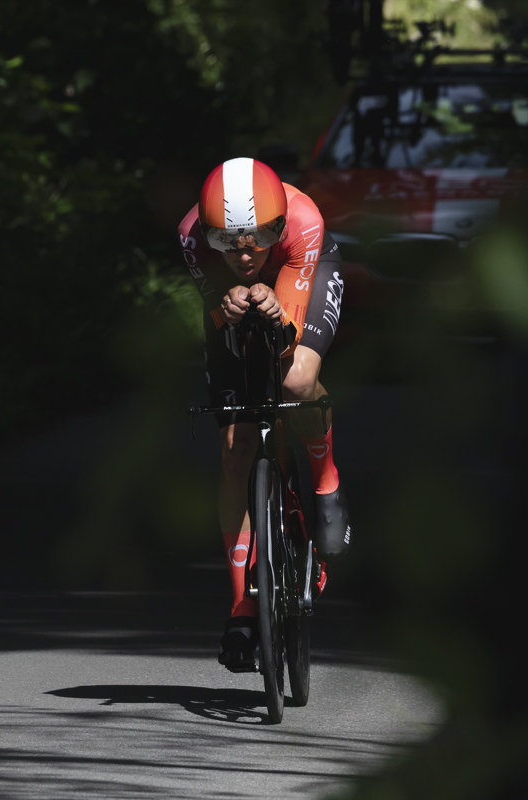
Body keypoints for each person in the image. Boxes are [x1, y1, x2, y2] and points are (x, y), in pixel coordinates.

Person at [177, 157, 350, 672]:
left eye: (258, 235)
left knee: (295, 378)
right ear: (209, 234)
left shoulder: (304, 221)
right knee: (236, 450)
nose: (246, 252)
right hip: (234, 299)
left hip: (303, 272)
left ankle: (324, 478)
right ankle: (241, 605)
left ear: (277, 224)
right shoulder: (191, 238)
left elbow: (286, 336)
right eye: (228, 240)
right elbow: (217, 310)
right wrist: (225, 304)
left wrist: (275, 308)